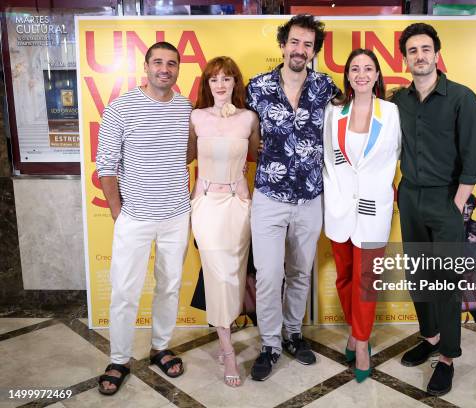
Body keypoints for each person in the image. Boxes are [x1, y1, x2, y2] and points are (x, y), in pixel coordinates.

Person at [391, 23, 476, 396]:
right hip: (410, 196)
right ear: (406, 58)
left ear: (436, 53)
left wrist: (455, 207)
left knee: (444, 283)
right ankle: (429, 338)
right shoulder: (399, 101)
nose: (420, 56)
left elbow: (474, 160)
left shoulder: (462, 98)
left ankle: (447, 357)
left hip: (446, 199)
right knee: (418, 277)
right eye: (412, 50)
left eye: (425, 49)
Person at [246, 14, 339, 381]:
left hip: (310, 197)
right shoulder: (257, 87)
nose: (301, 50)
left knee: (300, 271)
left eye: (308, 45)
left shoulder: (325, 87)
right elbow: (240, 131)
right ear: (283, 45)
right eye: (295, 42)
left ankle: (293, 333)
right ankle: (269, 343)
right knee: (269, 275)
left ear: (313, 51)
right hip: (269, 196)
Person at [95, 42, 192, 395]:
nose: (164, 69)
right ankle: (119, 358)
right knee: (124, 291)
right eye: (158, 62)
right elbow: (106, 167)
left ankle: (160, 347)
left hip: (177, 214)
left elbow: (189, 152)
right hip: (134, 217)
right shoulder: (120, 109)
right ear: (146, 66)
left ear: (178, 68)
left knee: (168, 285)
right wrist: (120, 214)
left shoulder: (185, 108)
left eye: (171, 63)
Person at [322, 49, 400, 382]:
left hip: (373, 209)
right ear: (348, 76)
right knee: (344, 277)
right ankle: (355, 330)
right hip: (340, 209)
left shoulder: (392, 112)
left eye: (368, 68)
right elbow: (328, 158)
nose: (362, 74)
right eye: (355, 68)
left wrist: (379, 193)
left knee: (366, 281)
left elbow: (394, 156)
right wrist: (337, 197)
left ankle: (362, 342)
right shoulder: (334, 111)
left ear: (378, 74)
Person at [187, 56, 260, 387]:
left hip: (238, 203)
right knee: (216, 271)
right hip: (205, 204)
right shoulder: (195, 117)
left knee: (235, 271)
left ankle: (226, 329)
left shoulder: (248, 119)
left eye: (227, 78)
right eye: (214, 79)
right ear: (207, 84)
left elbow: (258, 156)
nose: (220, 84)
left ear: (235, 83)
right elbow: (184, 157)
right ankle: (228, 349)